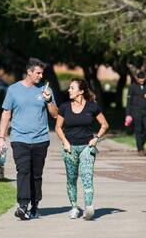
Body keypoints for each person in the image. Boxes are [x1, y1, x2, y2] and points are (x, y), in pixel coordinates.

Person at [0, 58, 58, 220]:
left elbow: (55, 114)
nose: (40, 75)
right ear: (29, 72)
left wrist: (49, 100)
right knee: (23, 171)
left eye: (42, 73)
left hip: (40, 139)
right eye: (38, 72)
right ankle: (23, 206)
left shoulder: (46, 90)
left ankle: (35, 205)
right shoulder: (13, 90)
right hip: (19, 138)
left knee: (36, 174)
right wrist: (1, 138)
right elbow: (6, 114)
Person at [55, 78, 109, 220]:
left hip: (87, 147)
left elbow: (104, 125)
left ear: (81, 91)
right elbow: (58, 128)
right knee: (71, 179)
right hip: (70, 148)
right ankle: (74, 208)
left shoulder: (92, 107)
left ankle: (88, 208)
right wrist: (65, 142)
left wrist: (96, 139)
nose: (69, 90)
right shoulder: (64, 107)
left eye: (72, 88)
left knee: (87, 177)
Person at [125, 71, 146, 156]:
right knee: (138, 130)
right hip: (135, 111)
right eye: (140, 79)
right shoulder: (132, 87)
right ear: (137, 78)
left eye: (143, 79)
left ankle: (141, 143)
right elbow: (128, 101)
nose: (142, 81)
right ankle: (140, 149)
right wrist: (128, 114)